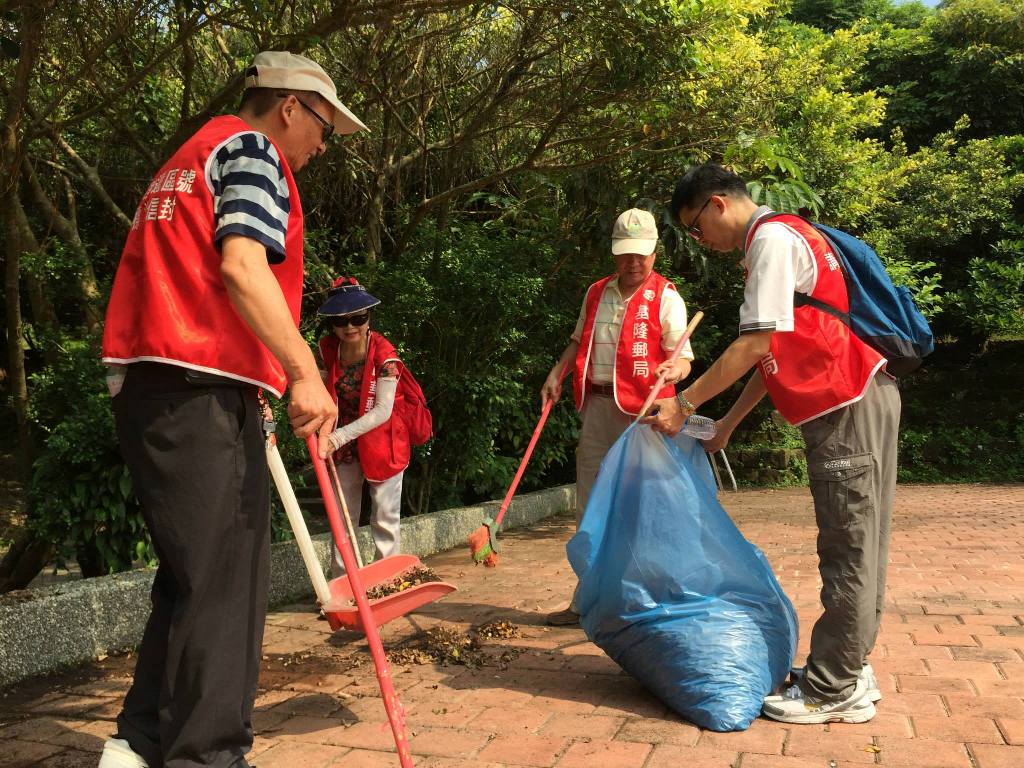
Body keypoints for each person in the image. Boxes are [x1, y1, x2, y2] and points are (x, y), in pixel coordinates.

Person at [99, 52, 367, 768]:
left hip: (167, 383)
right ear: (290, 108)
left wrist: (258, 385)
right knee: (224, 585)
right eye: (323, 129)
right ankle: (209, 755)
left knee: (194, 573)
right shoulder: (253, 153)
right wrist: (305, 372)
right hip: (194, 387)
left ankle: (138, 742)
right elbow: (243, 267)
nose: (320, 146)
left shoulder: (189, 155)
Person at [646, 162, 900, 725]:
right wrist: (729, 424)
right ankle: (848, 667)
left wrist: (684, 404)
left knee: (848, 544)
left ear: (716, 204)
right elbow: (773, 355)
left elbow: (752, 342)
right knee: (860, 538)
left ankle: (834, 687)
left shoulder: (771, 240)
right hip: (858, 396)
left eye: (694, 228)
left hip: (845, 403)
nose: (700, 242)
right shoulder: (788, 235)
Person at [541, 208, 695, 626]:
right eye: (625, 254)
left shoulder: (666, 296)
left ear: (655, 252)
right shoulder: (596, 292)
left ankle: (649, 599)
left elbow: (683, 358)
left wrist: (674, 370)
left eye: (641, 254)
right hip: (596, 406)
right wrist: (557, 373)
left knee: (646, 503)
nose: (633, 262)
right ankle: (586, 599)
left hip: (644, 414)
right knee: (590, 501)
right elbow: (579, 341)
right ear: (614, 253)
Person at [316, 278, 423, 574]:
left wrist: (337, 438)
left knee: (385, 518)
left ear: (369, 317)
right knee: (343, 518)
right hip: (341, 443)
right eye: (341, 321)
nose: (349, 327)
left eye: (358, 318)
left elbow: (383, 411)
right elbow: (320, 394)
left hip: (382, 439)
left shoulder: (385, 354)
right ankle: (344, 584)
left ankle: (388, 584)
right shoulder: (326, 350)